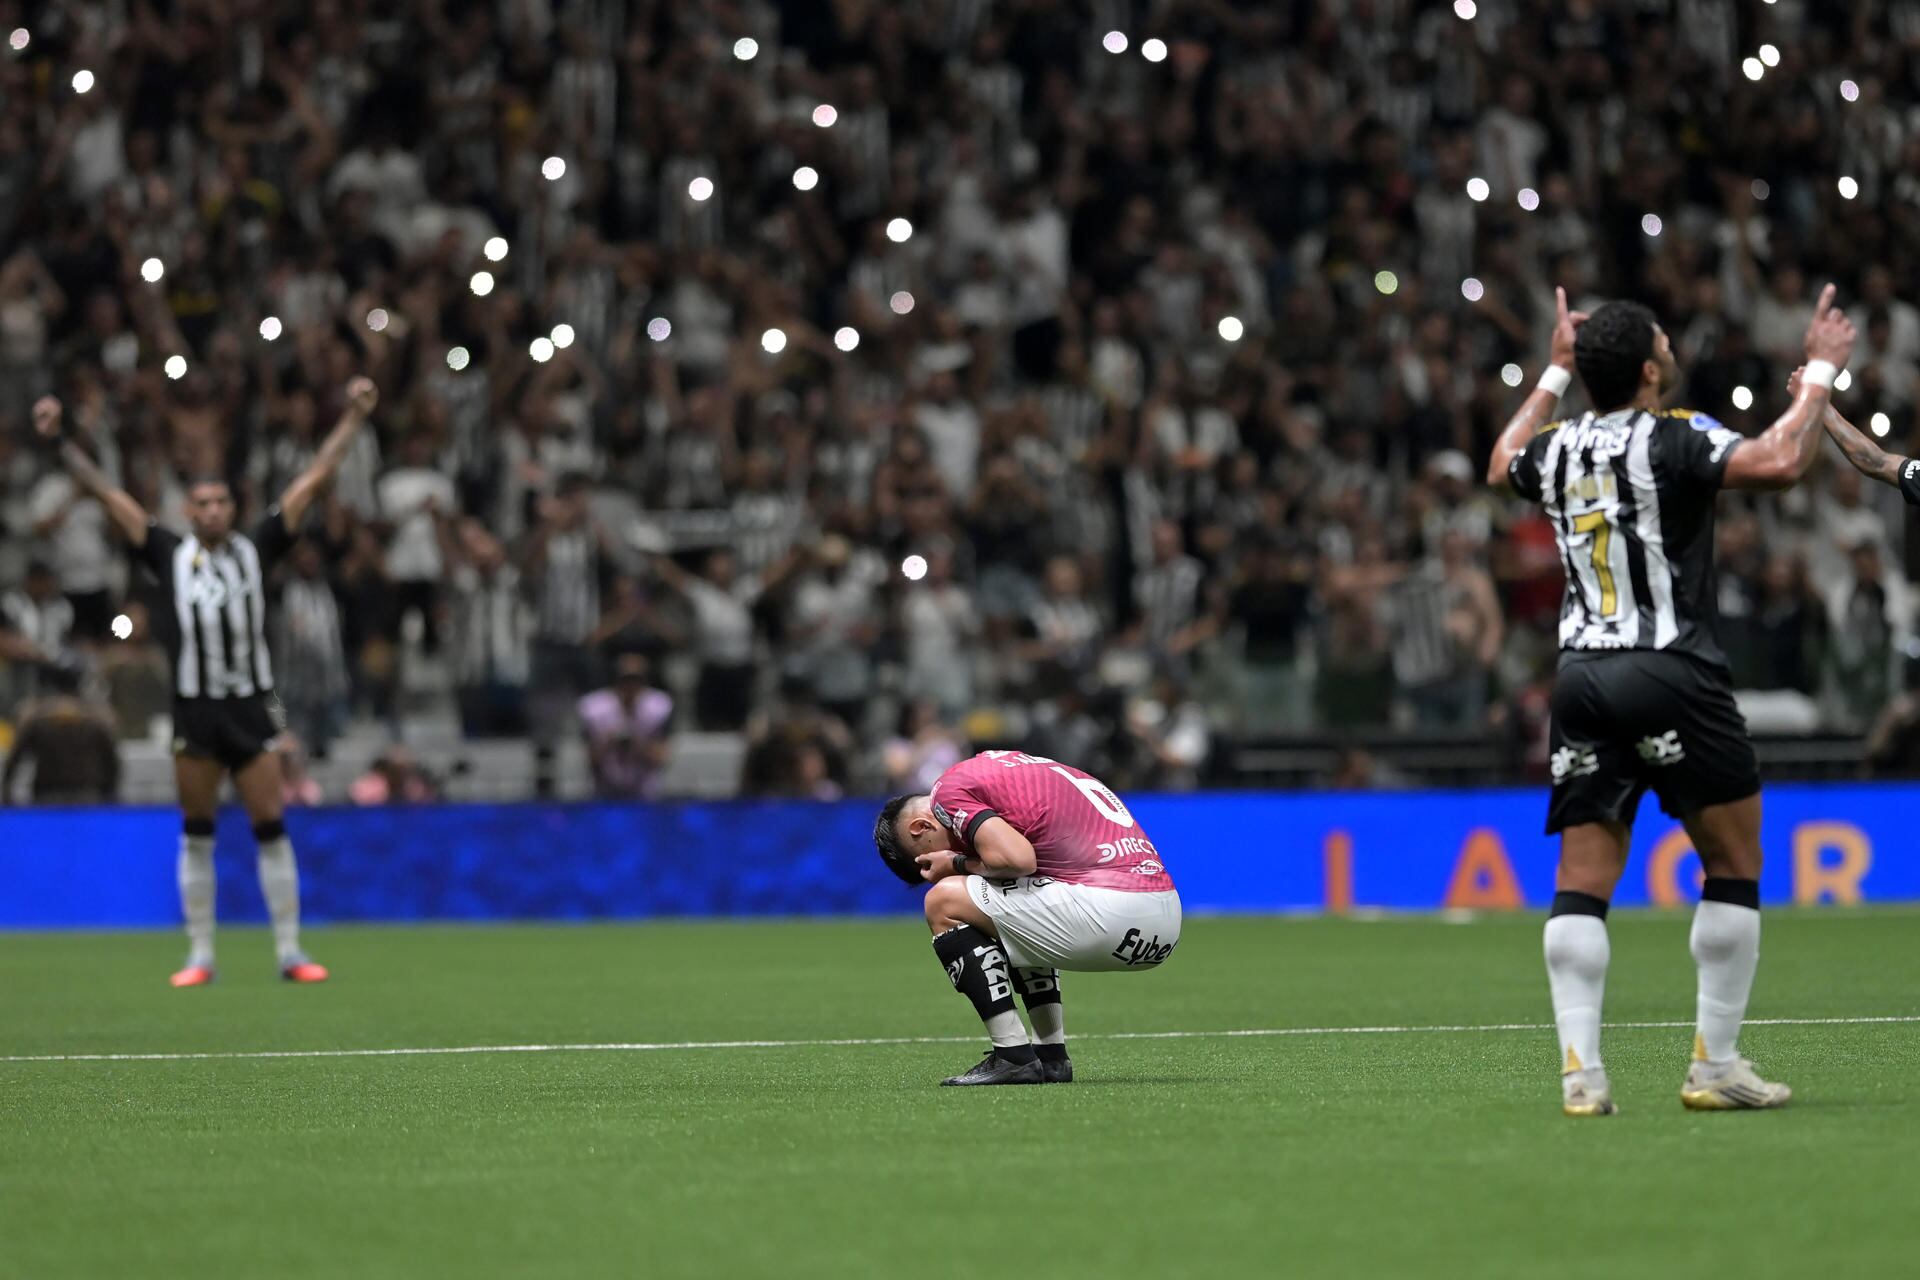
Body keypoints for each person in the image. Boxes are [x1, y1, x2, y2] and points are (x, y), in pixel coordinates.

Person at [1486, 285, 1856, 1116]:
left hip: (1581, 678)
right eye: (1663, 340)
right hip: (1669, 669)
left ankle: (1581, 1075)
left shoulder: (1556, 446)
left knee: (1582, 879)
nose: (1670, 347)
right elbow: (1779, 462)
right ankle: (1714, 1066)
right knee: (1734, 861)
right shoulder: (1675, 435)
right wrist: (1821, 372)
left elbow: (1499, 461)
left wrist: (1552, 373)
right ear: (1651, 369)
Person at [32, 380, 379, 987]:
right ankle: (199, 955)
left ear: (233, 509)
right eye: (203, 503)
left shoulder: (257, 548)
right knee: (197, 833)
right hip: (195, 708)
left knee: (271, 827)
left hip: (249, 705)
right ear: (189, 512)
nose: (214, 511)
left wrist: (352, 417)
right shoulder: (168, 554)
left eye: (221, 502)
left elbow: (315, 478)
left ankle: (290, 952)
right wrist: (60, 438)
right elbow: (107, 492)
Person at [872, 749, 1181, 1087]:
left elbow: (1018, 859)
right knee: (1013, 895)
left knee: (943, 900)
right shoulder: (1007, 767)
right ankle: (1051, 1056)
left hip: (1110, 911)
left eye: (927, 859)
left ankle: (1013, 1055)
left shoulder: (947, 792)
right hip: (1164, 922)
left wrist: (954, 863)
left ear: (920, 827)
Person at [1, 661, 120, 804]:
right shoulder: (95, 718)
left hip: (47, 793)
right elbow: (111, 760)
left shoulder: (36, 717)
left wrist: (7, 792)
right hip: (86, 792)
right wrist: (110, 792)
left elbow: (15, 758)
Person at [577, 651, 674, 800]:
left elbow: (662, 758)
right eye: (626, 680)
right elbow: (589, 760)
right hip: (604, 791)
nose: (630, 686)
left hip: (645, 793)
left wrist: (636, 743)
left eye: (636, 680)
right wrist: (609, 742)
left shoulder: (659, 706)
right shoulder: (594, 708)